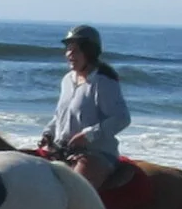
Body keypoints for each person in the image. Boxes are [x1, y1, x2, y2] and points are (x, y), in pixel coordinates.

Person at [41, 23, 130, 187]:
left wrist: (88, 135)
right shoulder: (67, 80)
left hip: (96, 155)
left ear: (89, 52)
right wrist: (48, 133)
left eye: (75, 50)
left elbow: (121, 118)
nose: (69, 54)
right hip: (62, 150)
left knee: (73, 190)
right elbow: (60, 116)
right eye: (68, 49)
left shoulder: (103, 81)